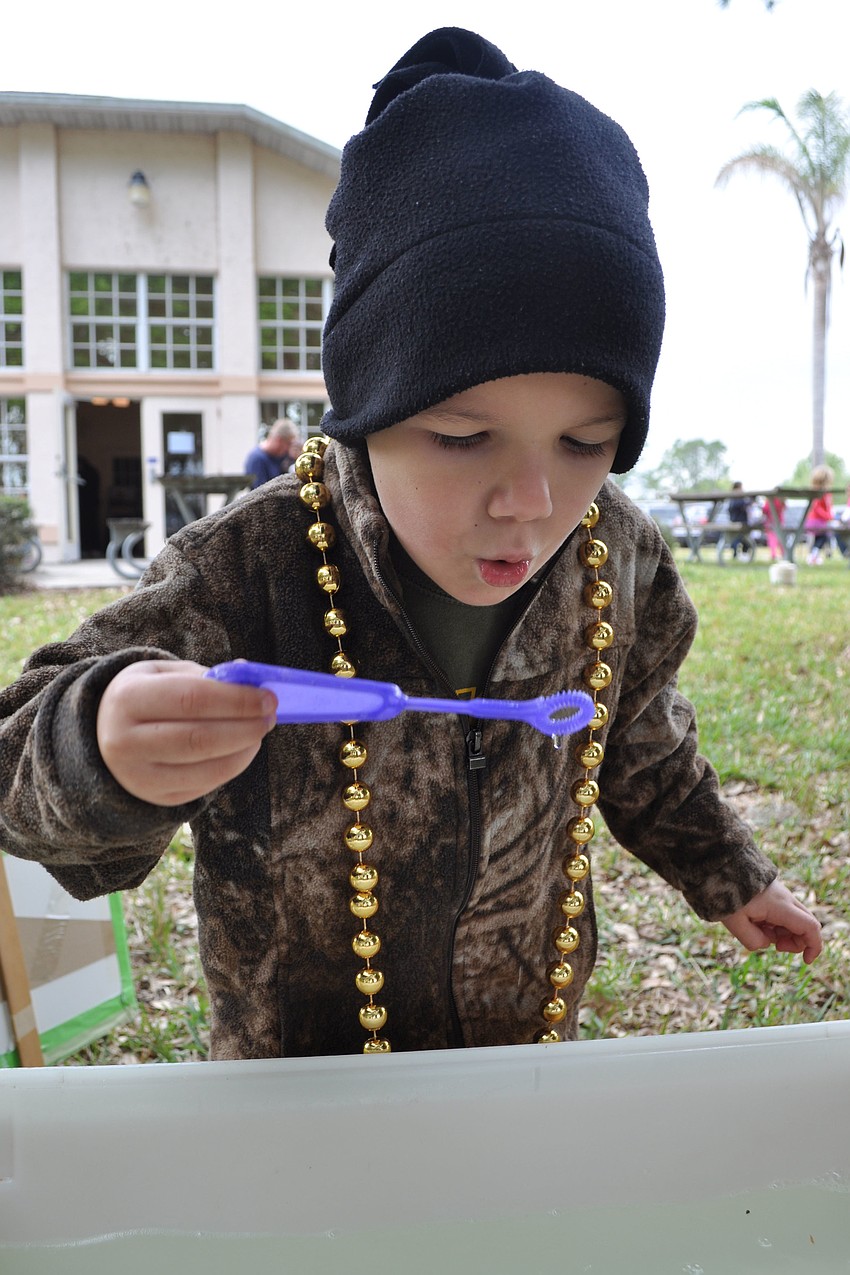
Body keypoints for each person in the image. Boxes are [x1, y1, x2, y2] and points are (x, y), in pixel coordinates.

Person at [0, 28, 821, 1061]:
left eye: (585, 443)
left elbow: (639, 746)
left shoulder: (619, 563)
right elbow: (19, 774)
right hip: (302, 1089)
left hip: (524, 1058)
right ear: (365, 409)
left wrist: (729, 875)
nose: (529, 500)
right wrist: (102, 742)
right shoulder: (244, 573)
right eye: (461, 437)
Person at [244, 419, 302, 489]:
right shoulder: (257, 459)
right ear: (279, 440)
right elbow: (261, 493)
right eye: (288, 444)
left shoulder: (282, 456)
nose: (289, 448)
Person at [804, 464, 836, 565]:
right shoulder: (818, 493)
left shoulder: (826, 493)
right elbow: (816, 508)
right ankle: (813, 555)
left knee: (821, 537)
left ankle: (814, 555)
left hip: (818, 521)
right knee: (825, 535)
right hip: (816, 522)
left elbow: (827, 507)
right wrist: (828, 516)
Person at [726, 482, 754, 558]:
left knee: (743, 538)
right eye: (741, 488)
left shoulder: (738, 499)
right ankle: (739, 553)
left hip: (741, 523)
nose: (742, 490)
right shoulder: (735, 499)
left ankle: (742, 553)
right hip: (737, 523)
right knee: (739, 538)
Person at [761, 493, 786, 561]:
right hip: (780, 522)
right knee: (781, 539)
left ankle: (773, 554)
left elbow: (764, 510)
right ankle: (784, 553)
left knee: (772, 539)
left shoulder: (769, 501)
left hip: (770, 523)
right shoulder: (781, 501)